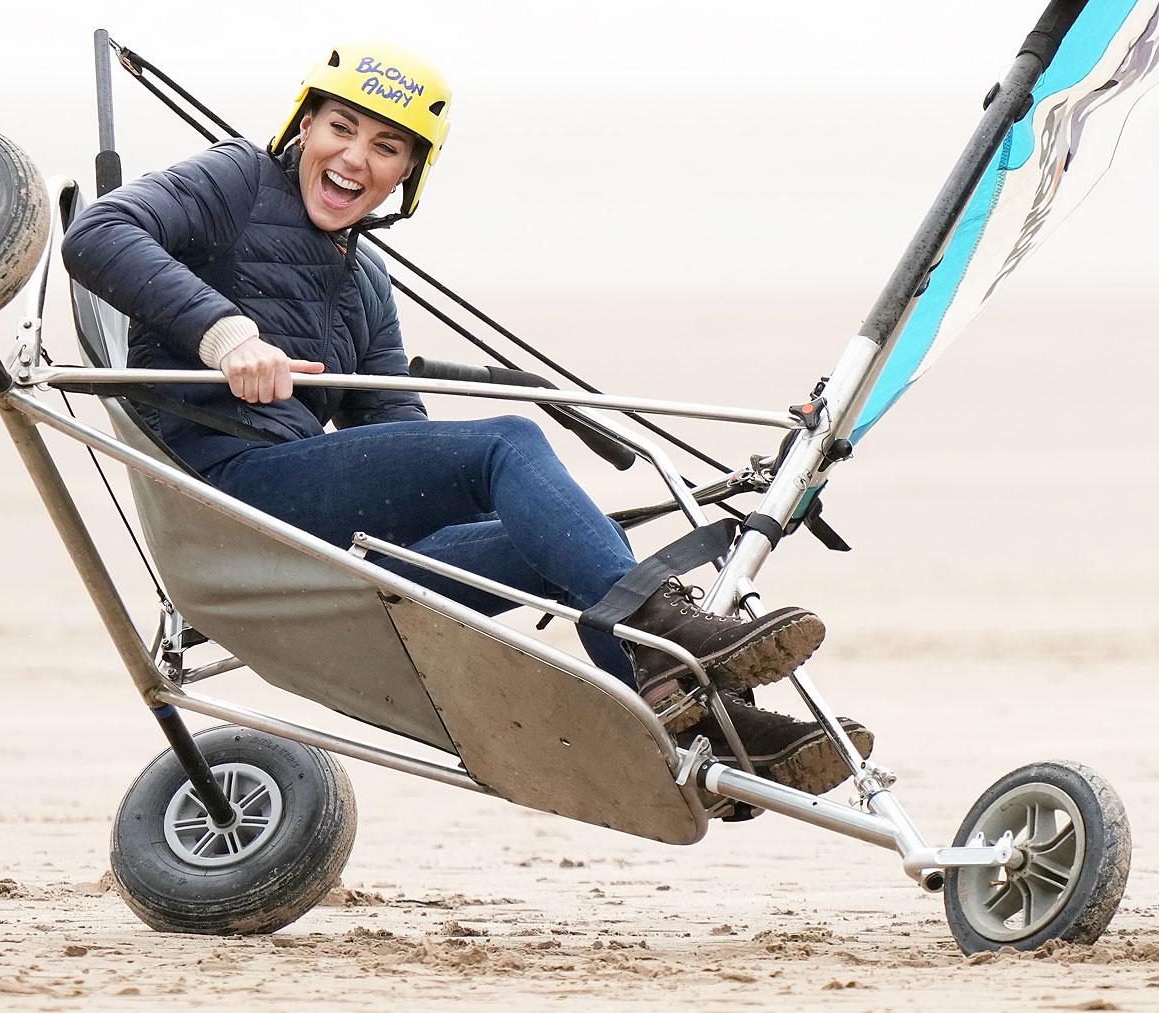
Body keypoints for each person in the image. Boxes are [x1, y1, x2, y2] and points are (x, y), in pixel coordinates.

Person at [62, 41, 874, 794]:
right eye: (340, 129)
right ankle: (670, 633)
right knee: (507, 442)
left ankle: (703, 724)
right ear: (303, 126)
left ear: (406, 175)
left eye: (385, 147)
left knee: (576, 534)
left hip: (334, 550)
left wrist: (543, 515)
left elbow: (398, 448)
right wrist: (228, 335)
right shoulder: (237, 180)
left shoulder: (366, 282)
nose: (353, 157)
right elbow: (100, 234)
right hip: (237, 499)